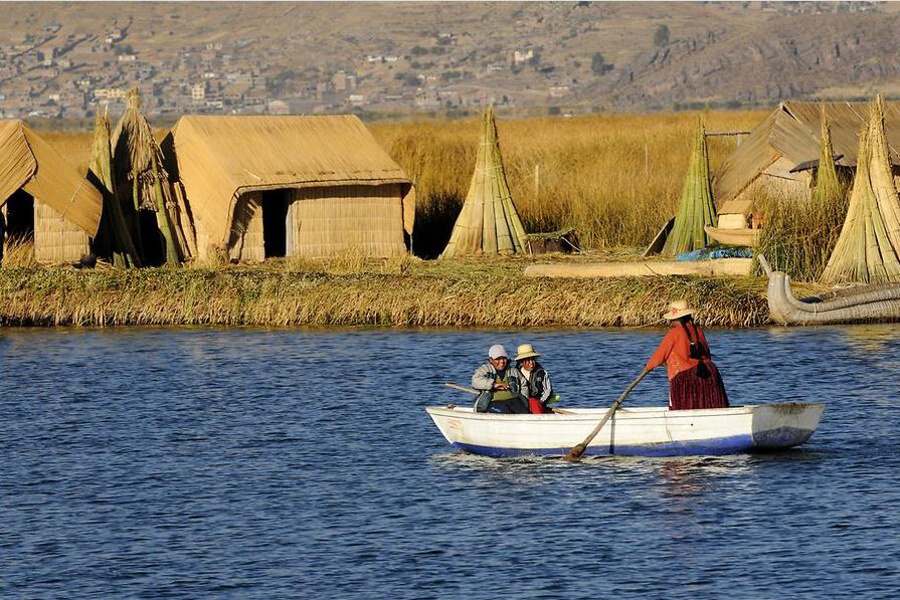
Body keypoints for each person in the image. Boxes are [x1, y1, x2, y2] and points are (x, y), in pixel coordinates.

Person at [645, 300, 729, 411]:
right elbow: (707, 354)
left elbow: (659, 356)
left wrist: (648, 367)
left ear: (675, 318)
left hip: (685, 377)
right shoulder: (698, 330)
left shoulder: (674, 333)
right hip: (709, 372)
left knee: (683, 407)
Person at [471, 344, 528, 414]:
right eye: (498, 359)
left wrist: (524, 401)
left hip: (514, 401)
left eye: (504, 358)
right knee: (506, 411)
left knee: (525, 412)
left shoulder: (513, 371)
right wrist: (493, 385)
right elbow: (475, 381)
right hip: (492, 402)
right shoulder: (485, 369)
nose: (502, 362)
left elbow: (524, 385)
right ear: (491, 360)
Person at [514, 343, 554, 414]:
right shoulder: (515, 373)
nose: (531, 363)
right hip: (520, 403)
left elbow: (548, 391)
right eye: (528, 360)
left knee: (533, 402)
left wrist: (540, 402)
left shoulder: (542, 373)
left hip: (538, 403)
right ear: (521, 362)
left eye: (533, 359)